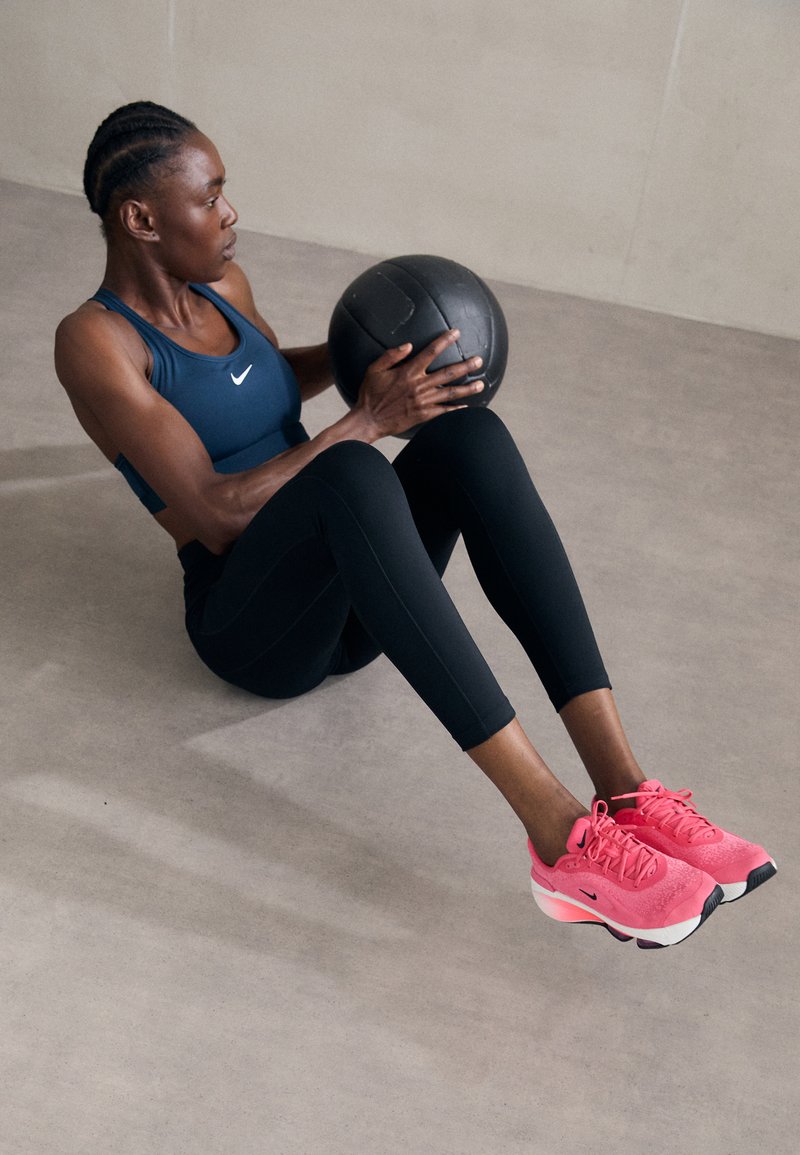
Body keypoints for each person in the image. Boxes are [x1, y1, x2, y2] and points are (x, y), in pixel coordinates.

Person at [55, 101, 775, 950]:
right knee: (351, 467)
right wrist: (362, 420)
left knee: (468, 434)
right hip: (253, 630)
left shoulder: (226, 290)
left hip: (357, 599)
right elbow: (215, 517)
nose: (230, 213)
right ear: (140, 218)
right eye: (209, 197)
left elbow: (262, 378)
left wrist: (381, 352)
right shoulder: (96, 342)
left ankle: (625, 786)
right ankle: (558, 835)